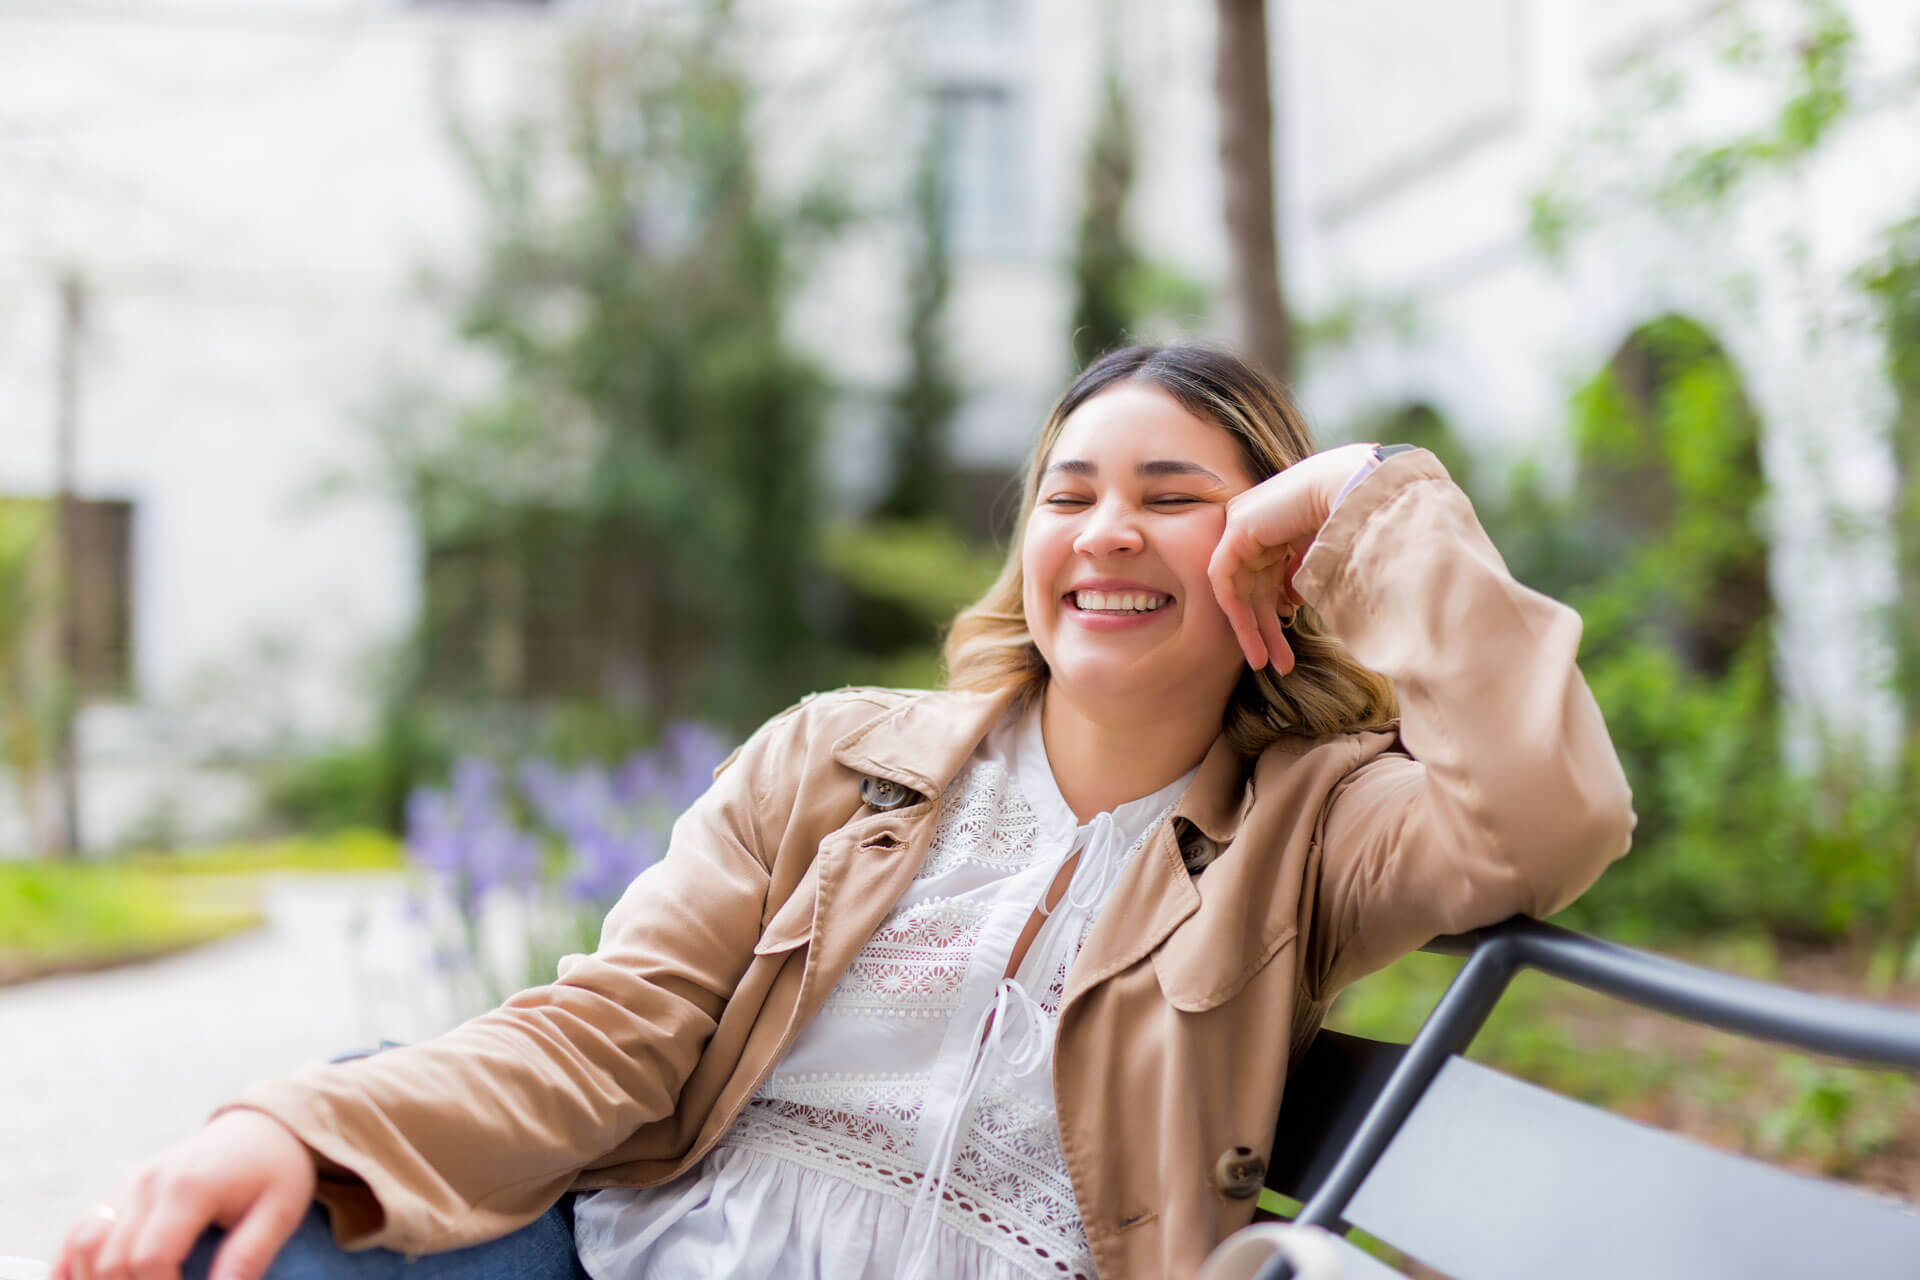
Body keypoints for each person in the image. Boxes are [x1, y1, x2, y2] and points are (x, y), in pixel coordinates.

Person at [52, 344, 1634, 1280]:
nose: (1107, 531)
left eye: (1175, 499)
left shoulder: (1314, 831)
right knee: (253, 1230)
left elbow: (1550, 819)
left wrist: (1363, 496)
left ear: (1269, 560)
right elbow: (609, 1032)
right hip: (653, 1258)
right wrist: (294, 1122)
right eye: (1070, 494)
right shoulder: (831, 756)